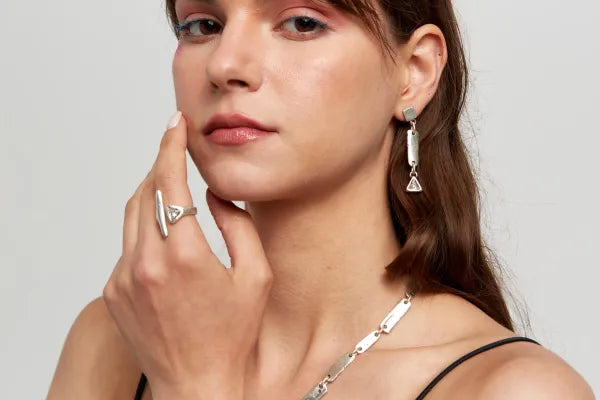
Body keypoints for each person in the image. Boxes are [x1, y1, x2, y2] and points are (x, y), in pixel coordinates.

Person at [47, 0, 595, 399]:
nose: (224, 65)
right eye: (203, 25)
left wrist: (196, 386)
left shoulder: (515, 389)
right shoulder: (115, 340)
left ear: (414, 73)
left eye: (302, 22)